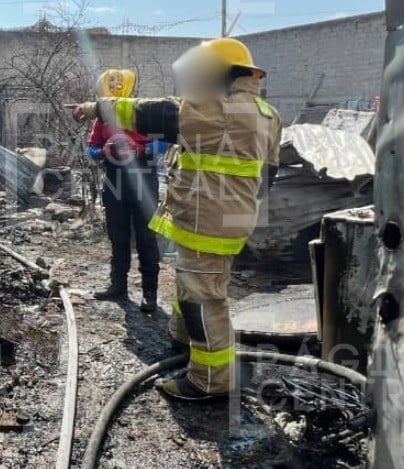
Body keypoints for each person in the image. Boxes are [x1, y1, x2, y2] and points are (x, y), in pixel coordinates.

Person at [70, 38, 282, 402]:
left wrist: (97, 107)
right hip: (224, 218)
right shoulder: (266, 113)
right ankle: (184, 341)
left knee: (204, 299)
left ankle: (210, 379)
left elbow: (155, 113)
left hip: (208, 221)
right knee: (193, 285)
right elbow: (268, 176)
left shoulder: (221, 109)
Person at [85, 69, 161, 311]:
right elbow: (91, 149)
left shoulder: (146, 113)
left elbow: (164, 142)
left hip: (143, 179)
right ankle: (118, 287)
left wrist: (141, 150)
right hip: (114, 179)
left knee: (146, 238)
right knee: (118, 237)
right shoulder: (102, 118)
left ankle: (150, 294)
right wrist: (104, 151)